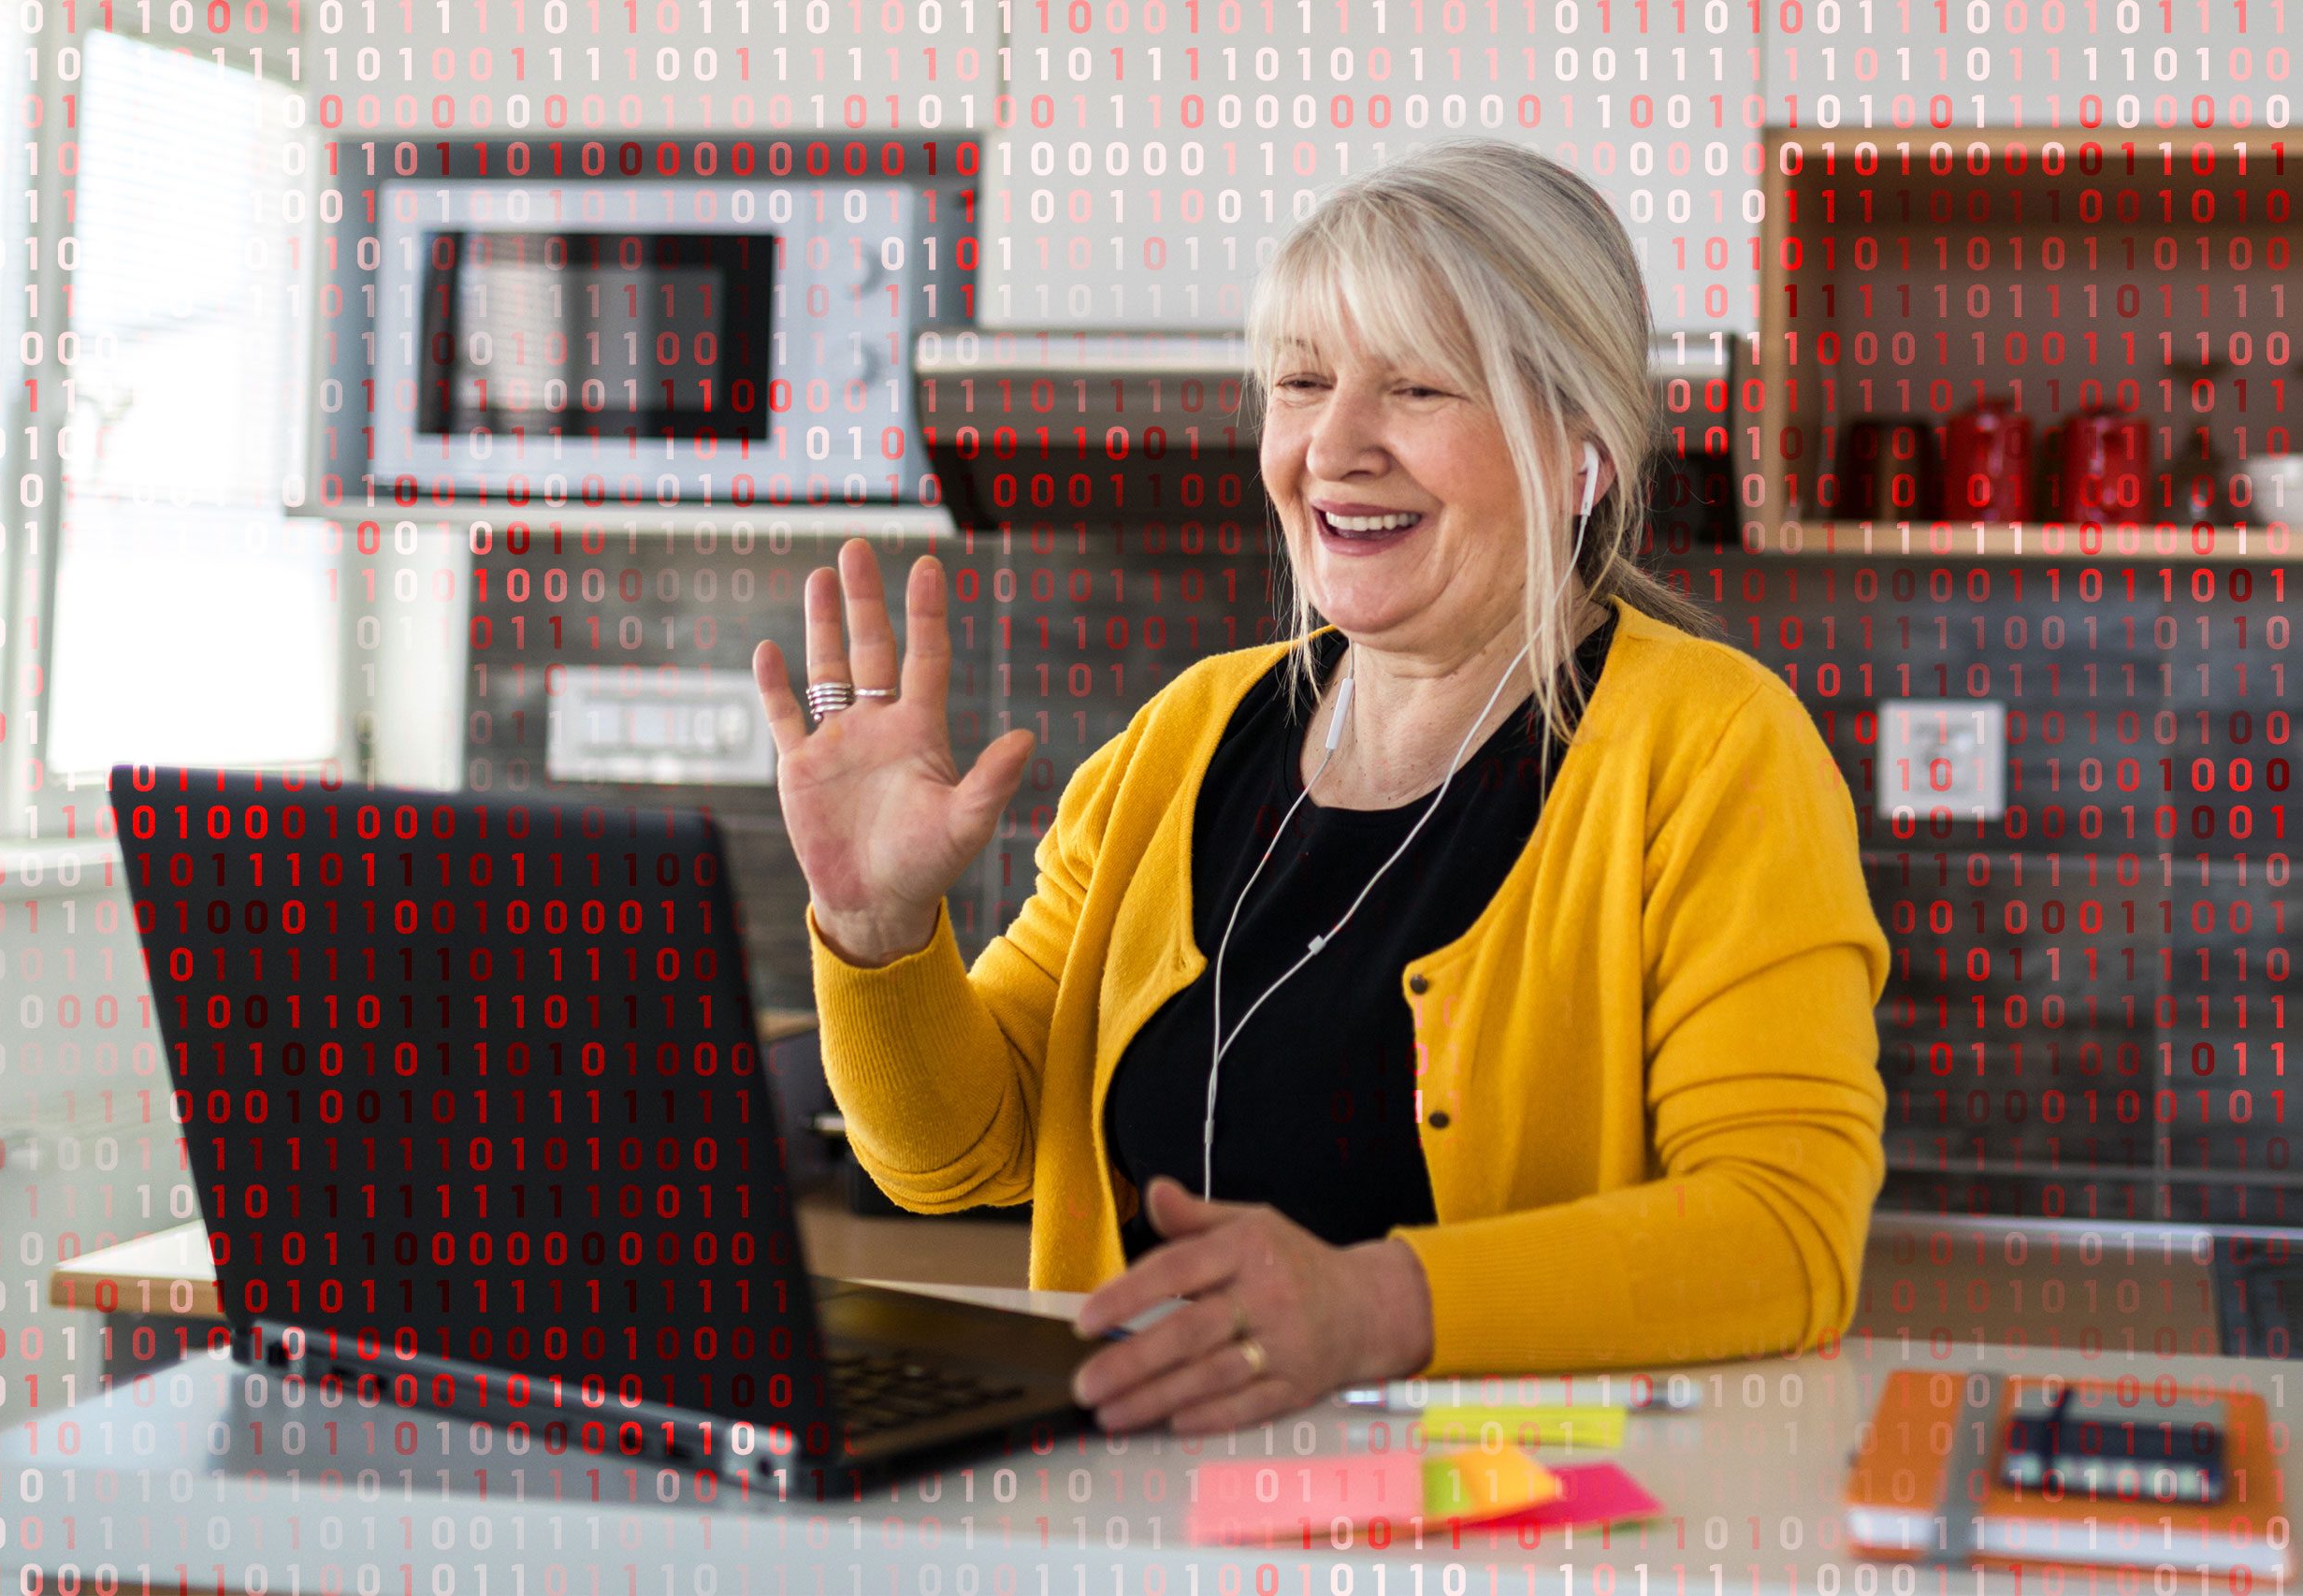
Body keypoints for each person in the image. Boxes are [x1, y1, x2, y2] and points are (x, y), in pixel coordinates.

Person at [751, 137, 1890, 1437]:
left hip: (1527, 1530)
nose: (1333, 446)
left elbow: (1786, 1232)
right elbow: (960, 1152)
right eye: (1300, 383)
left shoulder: (1713, 750)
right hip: (1149, 1513)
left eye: (1414, 388)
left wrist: (1374, 1305)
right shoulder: (1188, 736)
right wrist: (880, 934)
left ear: (1584, 452)